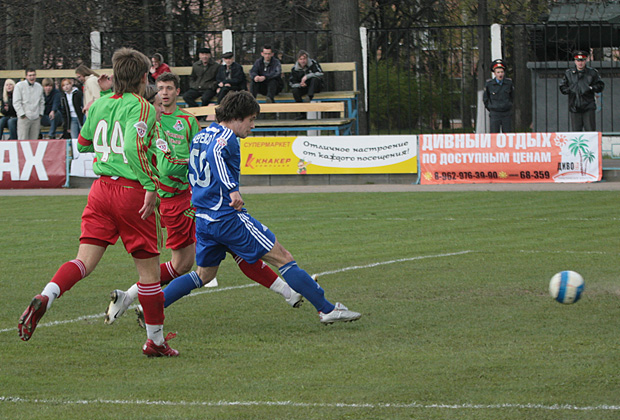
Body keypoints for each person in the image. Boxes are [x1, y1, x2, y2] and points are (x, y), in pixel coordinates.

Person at [105, 72, 303, 327]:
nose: (164, 93)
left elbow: (200, 150)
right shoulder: (152, 124)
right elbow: (168, 166)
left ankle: (289, 292)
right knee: (183, 265)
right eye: (160, 89)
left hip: (195, 196)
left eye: (169, 88)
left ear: (177, 91)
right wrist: (195, 165)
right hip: (173, 201)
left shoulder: (188, 120)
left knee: (232, 249)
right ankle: (136, 298)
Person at [18, 47, 179, 358]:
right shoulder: (143, 107)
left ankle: (47, 295)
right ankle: (155, 342)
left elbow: (82, 143)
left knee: (84, 262)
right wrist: (151, 186)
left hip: (101, 190)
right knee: (148, 274)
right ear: (143, 78)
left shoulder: (100, 105)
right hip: (131, 192)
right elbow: (132, 146)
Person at [161, 91, 361, 325]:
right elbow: (215, 155)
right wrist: (232, 189)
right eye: (251, 119)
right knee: (283, 257)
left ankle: (154, 308)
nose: (253, 126)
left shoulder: (202, 135)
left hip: (204, 218)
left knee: (204, 275)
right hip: (226, 217)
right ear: (237, 117)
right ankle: (327, 309)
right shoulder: (226, 137)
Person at [559, 50, 605, 132]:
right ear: (575, 61)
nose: (580, 63)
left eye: (582, 60)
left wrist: (591, 88)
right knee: (576, 133)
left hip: (588, 106)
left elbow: (600, 85)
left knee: (590, 131)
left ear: (585, 60)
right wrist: (570, 89)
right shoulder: (569, 73)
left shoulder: (592, 72)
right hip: (574, 106)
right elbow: (562, 87)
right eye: (578, 60)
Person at [483, 59, 514, 133]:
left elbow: (512, 96)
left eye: (502, 72)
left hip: (506, 113)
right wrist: (491, 107)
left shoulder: (508, 83)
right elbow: (486, 99)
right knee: (494, 134)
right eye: (498, 72)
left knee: (507, 135)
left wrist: (508, 105)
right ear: (494, 73)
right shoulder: (489, 84)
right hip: (495, 113)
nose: (500, 74)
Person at [13, 68, 44, 140]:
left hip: (36, 118)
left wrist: (40, 114)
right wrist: (22, 114)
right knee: (23, 140)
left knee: (34, 140)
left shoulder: (39, 87)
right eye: (30, 75)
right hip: (24, 118)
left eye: (33, 75)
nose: (32, 77)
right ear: (26, 76)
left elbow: (42, 102)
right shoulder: (19, 86)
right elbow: (16, 102)